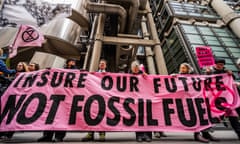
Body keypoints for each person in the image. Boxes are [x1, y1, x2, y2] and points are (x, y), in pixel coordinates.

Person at [38, 58, 77, 142]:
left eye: (74, 62)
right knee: (50, 116)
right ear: (67, 62)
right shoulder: (60, 70)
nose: (73, 62)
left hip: (66, 97)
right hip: (55, 96)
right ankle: (47, 135)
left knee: (62, 117)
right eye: (71, 61)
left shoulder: (75, 71)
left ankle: (59, 136)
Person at [174, 63, 209, 143]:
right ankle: (197, 134)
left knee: (201, 115)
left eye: (184, 68)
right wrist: (172, 77)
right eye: (181, 68)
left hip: (196, 99)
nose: (182, 69)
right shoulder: (177, 76)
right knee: (194, 116)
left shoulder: (193, 77)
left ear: (188, 69)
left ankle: (205, 133)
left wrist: (208, 73)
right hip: (185, 101)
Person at [206, 58, 240, 140]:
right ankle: (205, 133)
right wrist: (208, 74)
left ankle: (239, 133)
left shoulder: (227, 73)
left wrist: (231, 74)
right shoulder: (210, 72)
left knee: (233, 117)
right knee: (213, 116)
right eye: (218, 64)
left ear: (223, 65)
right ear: (215, 65)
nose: (219, 66)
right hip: (216, 100)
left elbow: (232, 79)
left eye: (221, 64)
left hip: (228, 99)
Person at [82, 59, 107, 142]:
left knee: (102, 115)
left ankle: (102, 134)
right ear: (99, 65)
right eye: (100, 63)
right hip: (93, 97)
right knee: (91, 114)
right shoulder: (94, 74)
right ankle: (90, 134)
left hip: (103, 98)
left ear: (105, 66)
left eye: (103, 64)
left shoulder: (108, 75)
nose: (102, 64)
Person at [129, 60, 152, 142]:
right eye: (133, 68)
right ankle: (139, 135)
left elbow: (150, 80)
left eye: (136, 68)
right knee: (138, 118)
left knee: (148, 116)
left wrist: (144, 74)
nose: (135, 70)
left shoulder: (143, 74)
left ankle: (148, 135)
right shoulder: (129, 75)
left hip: (146, 98)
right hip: (136, 100)